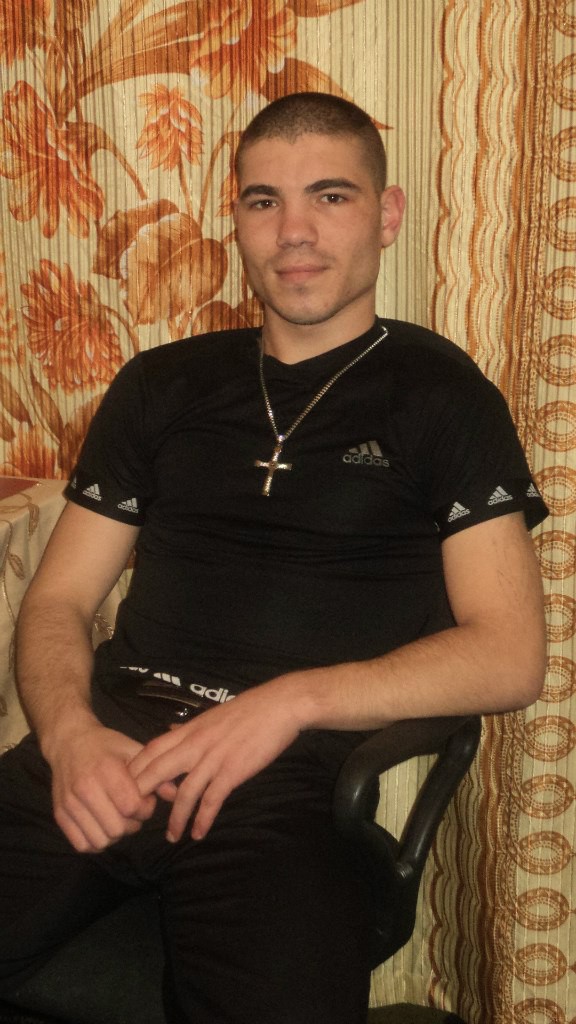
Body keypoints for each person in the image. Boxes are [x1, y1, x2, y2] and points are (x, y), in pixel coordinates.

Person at [0, 92, 547, 1024]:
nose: (294, 232)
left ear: (387, 214)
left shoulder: (444, 398)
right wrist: (67, 735)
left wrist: (288, 703)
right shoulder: (161, 384)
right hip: (110, 750)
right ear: (237, 219)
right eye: (264, 201)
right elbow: (58, 602)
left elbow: (509, 655)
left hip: (288, 788)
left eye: (331, 196)